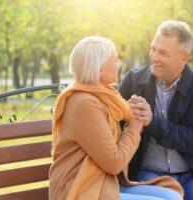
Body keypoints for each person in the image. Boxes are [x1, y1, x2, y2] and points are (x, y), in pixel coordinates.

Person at [49, 36, 183, 200]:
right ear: (98, 69)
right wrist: (134, 126)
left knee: (172, 196)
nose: (119, 64)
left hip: (105, 183)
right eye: (115, 60)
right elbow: (114, 163)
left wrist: (132, 110)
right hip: (83, 189)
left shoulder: (102, 96)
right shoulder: (84, 103)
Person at [119, 20, 193, 200]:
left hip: (191, 176)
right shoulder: (134, 81)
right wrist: (124, 113)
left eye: (163, 53)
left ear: (184, 56)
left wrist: (152, 121)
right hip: (149, 175)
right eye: (153, 49)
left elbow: (190, 139)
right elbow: (112, 122)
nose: (154, 57)